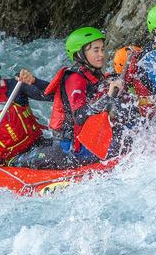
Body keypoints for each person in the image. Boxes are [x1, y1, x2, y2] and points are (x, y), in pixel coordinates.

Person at [0, 49, 64, 172]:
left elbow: (53, 95)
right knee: (55, 154)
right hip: (13, 160)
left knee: (68, 145)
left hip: (39, 143)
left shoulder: (15, 86)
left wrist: (34, 81)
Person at [44, 27, 112, 164]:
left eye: (102, 49)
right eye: (96, 50)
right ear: (79, 54)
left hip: (86, 138)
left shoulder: (95, 74)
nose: (101, 55)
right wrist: (108, 96)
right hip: (70, 147)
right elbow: (79, 116)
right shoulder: (75, 79)